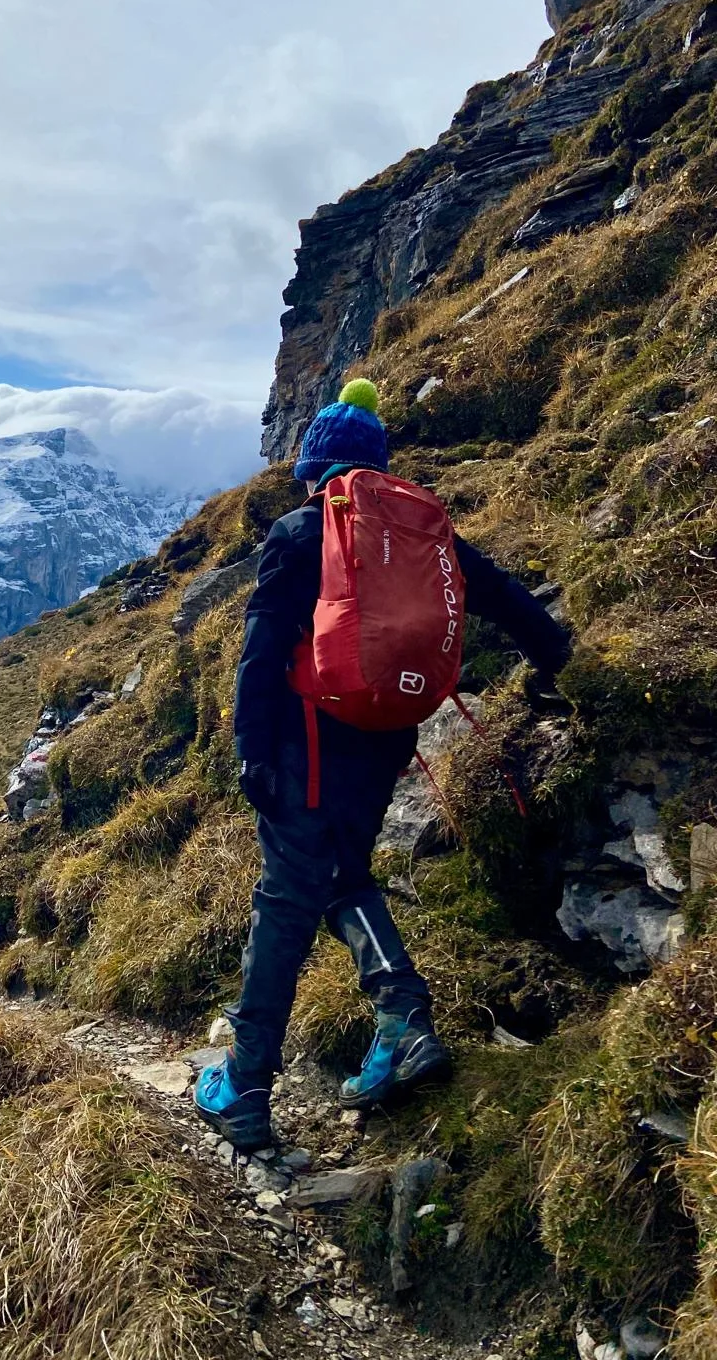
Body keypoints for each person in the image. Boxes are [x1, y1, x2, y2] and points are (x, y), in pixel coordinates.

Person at [194, 380, 572, 1150]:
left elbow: (262, 652)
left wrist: (251, 752)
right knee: (343, 878)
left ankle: (244, 1084)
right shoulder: (423, 536)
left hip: (305, 744)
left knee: (284, 902)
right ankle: (401, 1018)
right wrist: (558, 659)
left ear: (314, 469)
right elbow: (502, 595)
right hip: (384, 737)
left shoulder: (303, 531)